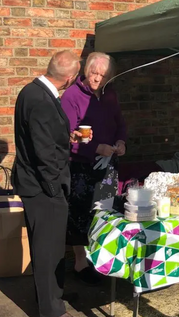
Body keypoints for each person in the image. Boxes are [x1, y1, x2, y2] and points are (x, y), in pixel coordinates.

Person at [13, 50, 81, 317]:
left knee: (50, 248)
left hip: (39, 185)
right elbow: (43, 152)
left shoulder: (32, 92)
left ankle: (54, 298)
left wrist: (67, 137)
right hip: (43, 189)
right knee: (47, 252)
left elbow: (44, 138)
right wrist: (54, 189)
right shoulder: (41, 99)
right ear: (70, 78)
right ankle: (51, 310)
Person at [61, 52, 127, 285]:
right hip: (82, 166)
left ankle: (101, 258)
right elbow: (67, 138)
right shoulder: (71, 96)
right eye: (94, 73)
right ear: (85, 71)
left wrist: (121, 142)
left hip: (108, 164)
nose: (97, 78)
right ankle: (81, 262)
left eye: (103, 75)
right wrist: (96, 148)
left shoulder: (110, 94)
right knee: (80, 213)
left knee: (105, 211)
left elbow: (120, 123)